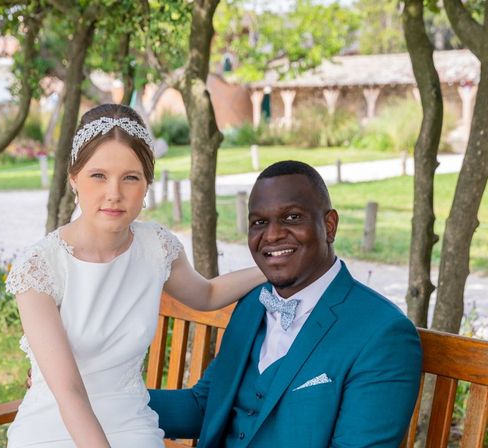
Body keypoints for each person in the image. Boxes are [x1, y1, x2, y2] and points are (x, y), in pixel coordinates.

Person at [5, 103, 266, 448]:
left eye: (131, 177)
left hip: (131, 425)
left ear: (146, 185)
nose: (114, 193)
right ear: (74, 179)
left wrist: (273, 268)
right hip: (52, 426)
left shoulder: (155, 247)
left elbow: (206, 295)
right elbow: (69, 391)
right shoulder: (39, 267)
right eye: (98, 175)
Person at [149, 160, 423, 447]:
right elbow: (204, 405)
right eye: (259, 223)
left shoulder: (382, 334)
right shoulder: (253, 303)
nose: (273, 234)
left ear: (329, 226)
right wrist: (111, 401)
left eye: (292, 217)